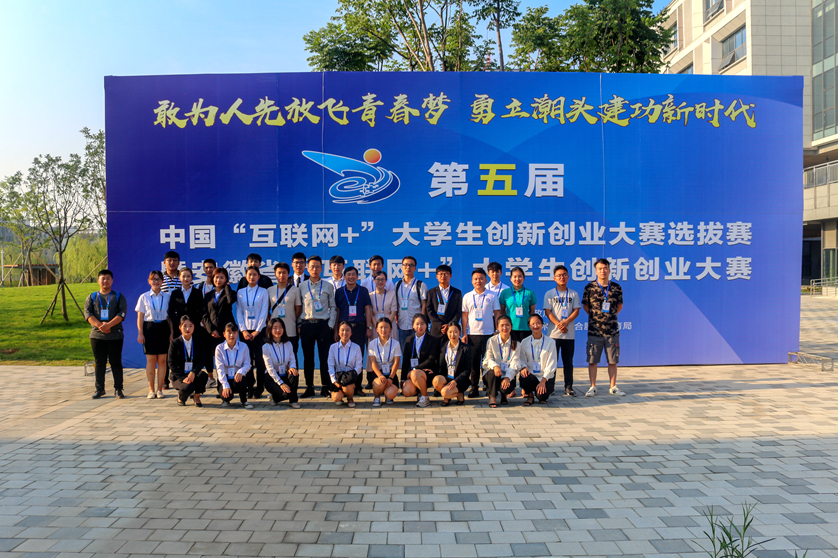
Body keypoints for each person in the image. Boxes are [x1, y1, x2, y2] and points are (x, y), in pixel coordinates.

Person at [582, 258, 625, 397]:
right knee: (592, 360)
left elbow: (619, 306)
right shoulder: (589, 287)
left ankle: (613, 387)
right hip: (594, 331)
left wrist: (608, 318)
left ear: (609, 270)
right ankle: (592, 386)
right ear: (596, 271)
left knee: (613, 361)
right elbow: (586, 306)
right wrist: (596, 318)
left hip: (612, 331)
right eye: (600, 268)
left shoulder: (616, 287)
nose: (603, 271)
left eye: (605, 268)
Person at [84, 270, 128, 399]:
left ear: (112, 281)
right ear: (98, 280)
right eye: (103, 278)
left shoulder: (118, 296)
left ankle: (118, 389)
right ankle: (99, 389)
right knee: (99, 363)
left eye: (108, 278)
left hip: (115, 336)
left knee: (116, 363)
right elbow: (88, 314)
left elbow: (121, 314)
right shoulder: (92, 297)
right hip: (97, 336)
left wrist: (109, 325)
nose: (105, 281)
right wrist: (100, 326)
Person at [299, 255, 337, 399]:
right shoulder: (302, 286)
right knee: (308, 358)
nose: (314, 269)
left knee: (324, 358)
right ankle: (309, 387)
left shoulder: (328, 286)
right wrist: (299, 324)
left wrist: (330, 325)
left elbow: (333, 307)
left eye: (317, 267)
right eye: (312, 267)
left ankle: (325, 386)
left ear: (322, 268)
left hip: (323, 326)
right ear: (307, 269)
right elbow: (299, 307)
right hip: (307, 325)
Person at [461, 268, 501, 399]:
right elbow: (464, 316)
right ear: (472, 281)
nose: (478, 281)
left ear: (485, 280)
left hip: (489, 334)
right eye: (476, 279)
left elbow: (497, 313)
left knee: (488, 362)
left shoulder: (492, 295)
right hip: (473, 334)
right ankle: (474, 388)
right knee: (474, 363)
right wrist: (464, 333)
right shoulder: (467, 296)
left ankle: (489, 387)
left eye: (481, 278)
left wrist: (497, 330)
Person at [334, 266, 373, 394]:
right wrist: (336, 330)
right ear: (344, 277)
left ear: (357, 277)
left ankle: (358, 386)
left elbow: (367, 309)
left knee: (358, 356)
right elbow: (337, 311)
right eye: (348, 275)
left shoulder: (363, 290)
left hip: (359, 327)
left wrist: (368, 327)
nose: (351, 277)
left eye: (353, 275)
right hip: (344, 328)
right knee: (343, 355)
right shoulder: (339, 292)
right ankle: (342, 383)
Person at [543, 265, 581, 397]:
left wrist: (565, 322)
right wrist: (558, 324)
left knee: (568, 362)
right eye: (559, 275)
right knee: (551, 362)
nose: (562, 277)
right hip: (553, 334)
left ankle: (569, 387)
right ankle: (550, 387)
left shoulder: (573, 294)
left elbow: (576, 311)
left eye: (564, 275)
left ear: (568, 277)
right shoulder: (549, 293)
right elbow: (548, 312)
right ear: (554, 278)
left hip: (569, 334)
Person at [136, 270, 173, 399]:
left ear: (162, 281)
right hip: (149, 329)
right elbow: (140, 317)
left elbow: (170, 318)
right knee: (151, 361)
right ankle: (151, 390)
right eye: (153, 279)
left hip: (163, 328)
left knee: (162, 361)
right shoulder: (144, 297)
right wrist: (140, 333)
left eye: (158, 279)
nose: (156, 282)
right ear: (149, 281)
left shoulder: (167, 296)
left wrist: (171, 333)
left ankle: (160, 390)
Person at [237, 266, 269, 398]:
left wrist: (257, 331)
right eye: (249, 274)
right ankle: (249, 387)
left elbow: (264, 312)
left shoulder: (263, 292)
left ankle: (260, 388)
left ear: (258, 277)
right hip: (245, 332)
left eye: (255, 274)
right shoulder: (240, 292)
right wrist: (244, 330)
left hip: (260, 332)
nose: (252, 277)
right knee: (247, 361)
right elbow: (239, 312)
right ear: (246, 276)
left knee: (261, 361)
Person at [202, 267, 236, 390]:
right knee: (216, 359)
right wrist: (211, 330)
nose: (218, 280)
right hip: (213, 333)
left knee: (227, 358)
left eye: (222, 277)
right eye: (216, 277)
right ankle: (218, 384)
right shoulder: (208, 295)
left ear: (226, 279)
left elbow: (230, 301)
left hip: (226, 332)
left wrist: (227, 287)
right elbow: (204, 315)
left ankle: (228, 385)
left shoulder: (230, 292)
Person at [400, 314, 440, 408]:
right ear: (413, 326)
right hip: (413, 374)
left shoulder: (433, 340)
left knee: (415, 373)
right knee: (406, 391)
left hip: (427, 372)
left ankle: (425, 397)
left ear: (426, 325)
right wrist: (402, 379)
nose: (420, 326)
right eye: (417, 324)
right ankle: (420, 392)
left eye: (422, 324)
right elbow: (405, 360)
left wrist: (416, 368)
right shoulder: (409, 340)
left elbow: (431, 359)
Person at [168, 315, 208, 407]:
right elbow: (171, 363)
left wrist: (193, 372)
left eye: (190, 326)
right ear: (180, 327)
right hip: (179, 376)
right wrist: (183, 378)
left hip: (192, 374)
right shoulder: (175, 343)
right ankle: (181, 396)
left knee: (203, 376)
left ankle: (196, 397)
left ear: (194, 327)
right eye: (185, 326)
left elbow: (202, 360)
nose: (187, 329)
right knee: (188, 387)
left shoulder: (198, 342)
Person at [517, 314, 557, 405]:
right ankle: (530, 395)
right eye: (533, 324)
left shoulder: (550, 342)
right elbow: (521, 359)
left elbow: (552, 364)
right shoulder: (525, 342)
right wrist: (524, 367)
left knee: (542, 397)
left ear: (542, 325)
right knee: (523, 375)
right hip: (531, 375)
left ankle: (540, 393)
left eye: (538, 323)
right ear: (529, 326)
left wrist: (543, 381)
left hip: (545, 377)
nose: (536, 326)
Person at [262, 318, 301, 408]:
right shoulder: (266, 347)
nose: (278, 330)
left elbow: (292, 359)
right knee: (286, 394)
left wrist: (292, 367)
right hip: (272, 378)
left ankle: (293, 401)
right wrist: (281, 383)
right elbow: (270, 369)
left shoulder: (288, 344)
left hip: (284, 374)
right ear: (270, 330)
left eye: (280, 327)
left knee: (294, 373)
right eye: (275, 328)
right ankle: (275, 397)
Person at [482, 315, 520, 408]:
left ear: (511, 326)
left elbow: (515, 364)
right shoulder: (491, 341)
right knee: (492, 372)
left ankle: (504, 395)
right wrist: (495, 366)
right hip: (493, 375)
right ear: (497, 327)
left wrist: (507, 377)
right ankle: (492, 397)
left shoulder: (517, 344)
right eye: (502, 325)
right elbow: (487, 359)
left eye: (507, 325)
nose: (504, 328)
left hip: (507, 374)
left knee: (507, 385)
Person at [214, 322, 253, 408]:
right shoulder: (219, 348)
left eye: (234, 332)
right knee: (227, 396)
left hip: (238, 377)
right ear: (224, 334)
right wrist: (225, 385)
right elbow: (219, 369)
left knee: (242, 379)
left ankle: (244, 401)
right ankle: (226, 400)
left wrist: (240, 372)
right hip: (226, 377)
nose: (232, 335)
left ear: (237, 334)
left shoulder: (243, 346)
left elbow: (247, 364)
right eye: (229, 332)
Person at [267, 262, 302, 355]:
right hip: (275, 331)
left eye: (284, 272)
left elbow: (298, 309)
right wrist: (272, 321)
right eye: (279, 273)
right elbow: (266, 310)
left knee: (292, 356)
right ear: (275, 274)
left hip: (290, 330)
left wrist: (292, 318)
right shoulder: (270, 290)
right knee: (275, 356)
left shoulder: (295, 290)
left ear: (288, 274)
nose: (281, 275)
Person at [394, 256, 427, 350]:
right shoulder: (397, 285)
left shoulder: (420, 285)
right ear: (402, 267)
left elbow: (424, 305)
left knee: (419, 352)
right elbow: (396, 304)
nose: (408, 267)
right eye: (405, 265)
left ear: (415, 268)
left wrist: (422, 322)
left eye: (411, 265)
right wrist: (396, 320)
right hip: (402, 325)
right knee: (405, 353)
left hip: (417, 326)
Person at [327, 321, 363, 407]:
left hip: (350, 377)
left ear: (351, 332)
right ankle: (341, 395)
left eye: (347, 330)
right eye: (342, 330)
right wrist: (334, 381)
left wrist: (352, 377)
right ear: (338, 332)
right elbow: (330, 366)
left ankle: (350, 398)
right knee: (336, 398)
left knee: (348, 387)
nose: (345, 333)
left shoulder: (356, 347)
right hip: (338, 378)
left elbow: (359, 366)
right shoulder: (333, 347)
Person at [368, 317, 402, 407]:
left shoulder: (396, 344)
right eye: (381, 327)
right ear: (377, 329)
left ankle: (388, 395)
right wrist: (380, 375)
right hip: (378, 373)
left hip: (391, 373)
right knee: (379, 384)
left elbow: (396, 363)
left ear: (390, 329)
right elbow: (373, 363)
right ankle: (377, 397)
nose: (383, 330)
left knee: (391, 394)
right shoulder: (372, 344)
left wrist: (390, 378)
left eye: (386, 327)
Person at [436, 321, 471, 406]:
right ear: (446, 333)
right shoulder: (442, 347)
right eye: (450, 332)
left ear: (460, 332)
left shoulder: (466, 348)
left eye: (455, 332)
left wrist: (456, 381)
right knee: (436, 380)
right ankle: (449, 396)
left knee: (444, 392)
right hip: (447, 378)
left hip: (460, 380)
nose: (453, 335)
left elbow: (467, 370)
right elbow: (439, 365)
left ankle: (457, 393)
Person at [498, 267, 537, 342]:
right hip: (509, 328)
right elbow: (502, 311)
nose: (517, 279)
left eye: (520, 276)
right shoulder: (505, 293)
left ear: (523, 278)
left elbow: (532, 312)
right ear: (511, 278)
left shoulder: (530, 293)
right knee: (511, 348)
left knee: (525, 349)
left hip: (525, 328)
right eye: (515, 276)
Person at [427, 265, 462, 338]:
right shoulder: (431, 292)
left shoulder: (457, 293)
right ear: (437, 276)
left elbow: (458, 311)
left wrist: (449, 325)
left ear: (450, 276)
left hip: (451, 330)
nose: (443, 276)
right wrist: (440, 325)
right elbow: (429, 310)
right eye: (441, 274)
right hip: (436, 330)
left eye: (446, 274)